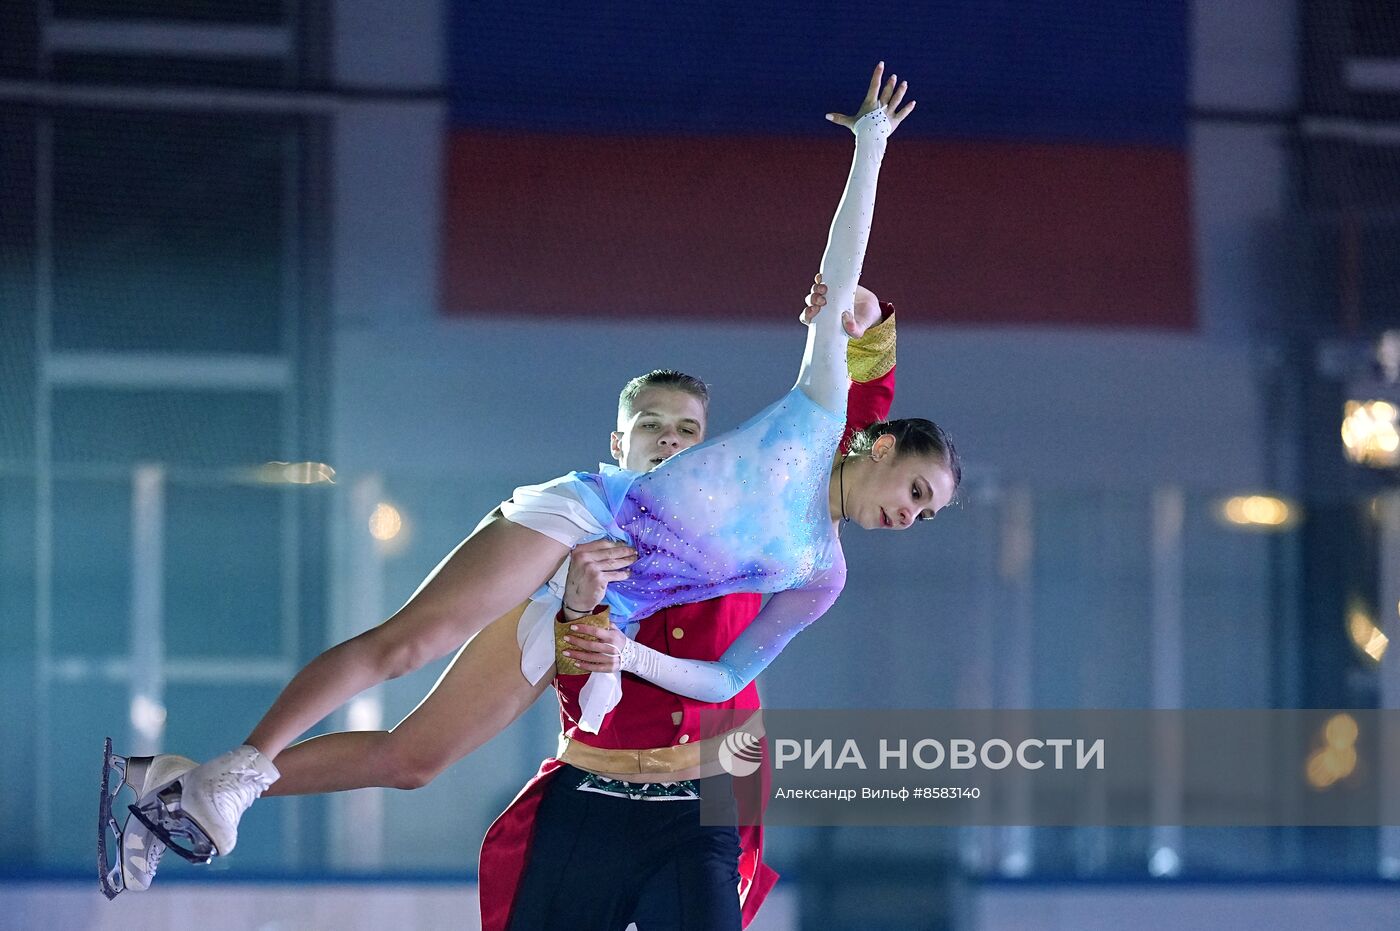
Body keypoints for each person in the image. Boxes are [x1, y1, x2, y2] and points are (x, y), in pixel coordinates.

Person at [100, 62, 957, 895]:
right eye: (651, 428)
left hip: (637, 670)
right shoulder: (807, 425)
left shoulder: (819, 567)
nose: (915, 516)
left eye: (686, 430)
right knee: (411, 642)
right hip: (585, 540)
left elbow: (730, 674)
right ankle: (241, 768)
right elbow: (850, 313)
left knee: (415, 760)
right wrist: (872, 150)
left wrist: (610, 638)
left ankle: (170, 783)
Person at [478, 280, 899, 930]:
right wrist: (578, 604)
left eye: (686, 430)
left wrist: (865, 331)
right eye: (650, 426)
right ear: (618, 445)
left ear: (706, 445)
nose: (669, 440)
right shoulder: (571, 534)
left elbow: (852, 440)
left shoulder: (755, 514)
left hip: (701, 803)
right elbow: (563, 675)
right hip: (591, 793)